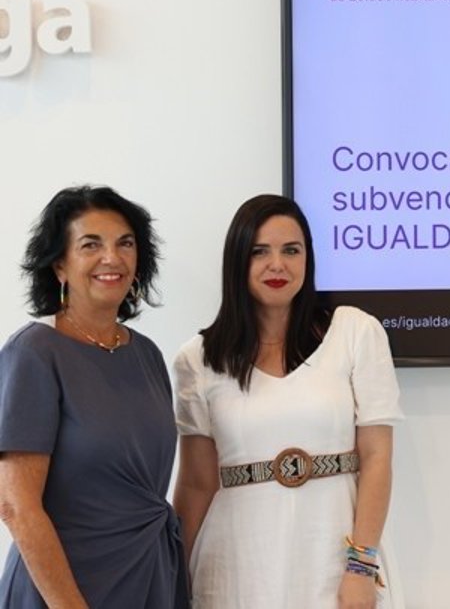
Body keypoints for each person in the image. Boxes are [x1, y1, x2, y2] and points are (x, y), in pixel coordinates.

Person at [173, 194, 404, 608]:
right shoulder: (198, 359)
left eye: (291, 250)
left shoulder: (356, 332)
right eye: (259, 251)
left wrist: (361, 567)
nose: (277, 264)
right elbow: (196, 483)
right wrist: (173, 581)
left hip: (336, 560)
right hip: (235, 565)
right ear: (237, 261)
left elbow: (376, 458)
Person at [0, 186, 188, 608]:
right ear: (60, 265)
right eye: (91, 245)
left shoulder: (147, 354)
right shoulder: (34, 353)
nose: (112, 257)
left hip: (148, 576)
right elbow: (15, 505)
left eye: (125, 243)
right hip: (64, 590)